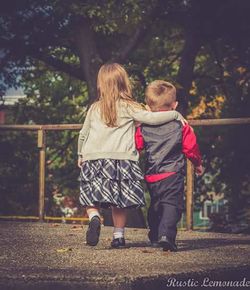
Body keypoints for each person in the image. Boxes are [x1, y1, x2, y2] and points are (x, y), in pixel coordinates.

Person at [77, 63, 185, 248]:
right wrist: (174, 114)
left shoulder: (94, 108)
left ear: (100, 84)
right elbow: (151, 118)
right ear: (124, 83)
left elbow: (83, 133)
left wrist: (80, 153)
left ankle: (94, 217)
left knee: (90, 196)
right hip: (121, 160)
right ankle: (118, 237)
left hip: (93, 157)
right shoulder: (129, 107)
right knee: (119, 201)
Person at [135, 80, 204, 251]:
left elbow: (138, 145)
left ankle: (154, 235)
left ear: (148, 108)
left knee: (156, 205)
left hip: (152, 175)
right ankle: (166, 236)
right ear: (175, 105)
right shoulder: (181, 125)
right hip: (172, 173)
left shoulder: (143, 127)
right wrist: (197, 164)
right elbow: (190, 148)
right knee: (172, 205)